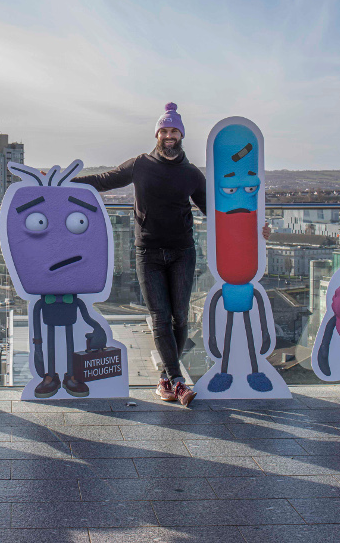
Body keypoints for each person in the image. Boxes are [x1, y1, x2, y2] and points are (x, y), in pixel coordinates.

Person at [75, 103, 269, 406]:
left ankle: (165, 379)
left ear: (181, 135)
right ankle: (177, 381)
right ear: (157, 133)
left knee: (180, 318)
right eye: (164, 130)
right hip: (147, 253)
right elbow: (103, 181)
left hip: (182, 252)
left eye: (173, 130)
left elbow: (216, 214)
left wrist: (255, 228)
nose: (168, 135)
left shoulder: (191, 174)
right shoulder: (140, 164)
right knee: (160, 317)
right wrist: (62, 180)